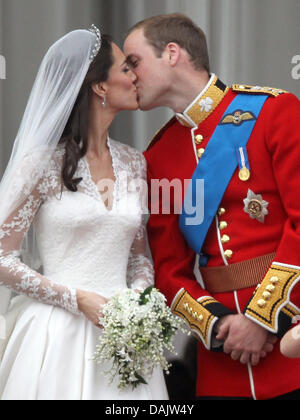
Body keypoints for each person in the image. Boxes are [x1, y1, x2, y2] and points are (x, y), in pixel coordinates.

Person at [124, 13, 300, 400]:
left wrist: (262, 317)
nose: (128, 75)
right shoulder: (156, 156)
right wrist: (220, 327)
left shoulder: (273, 111)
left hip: (291, 340)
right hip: (224, 363)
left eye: (134, 62)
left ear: (172, 53)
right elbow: (168, 270)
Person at [0, 26, 168, 400]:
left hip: (125, 337)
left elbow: (138, 257)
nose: (136, 76)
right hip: (57, 333)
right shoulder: (41, 164)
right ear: (100, 87)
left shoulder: (133, 163)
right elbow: (1, 257)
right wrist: (77, 299)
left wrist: (137, 301)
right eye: (126, 69)